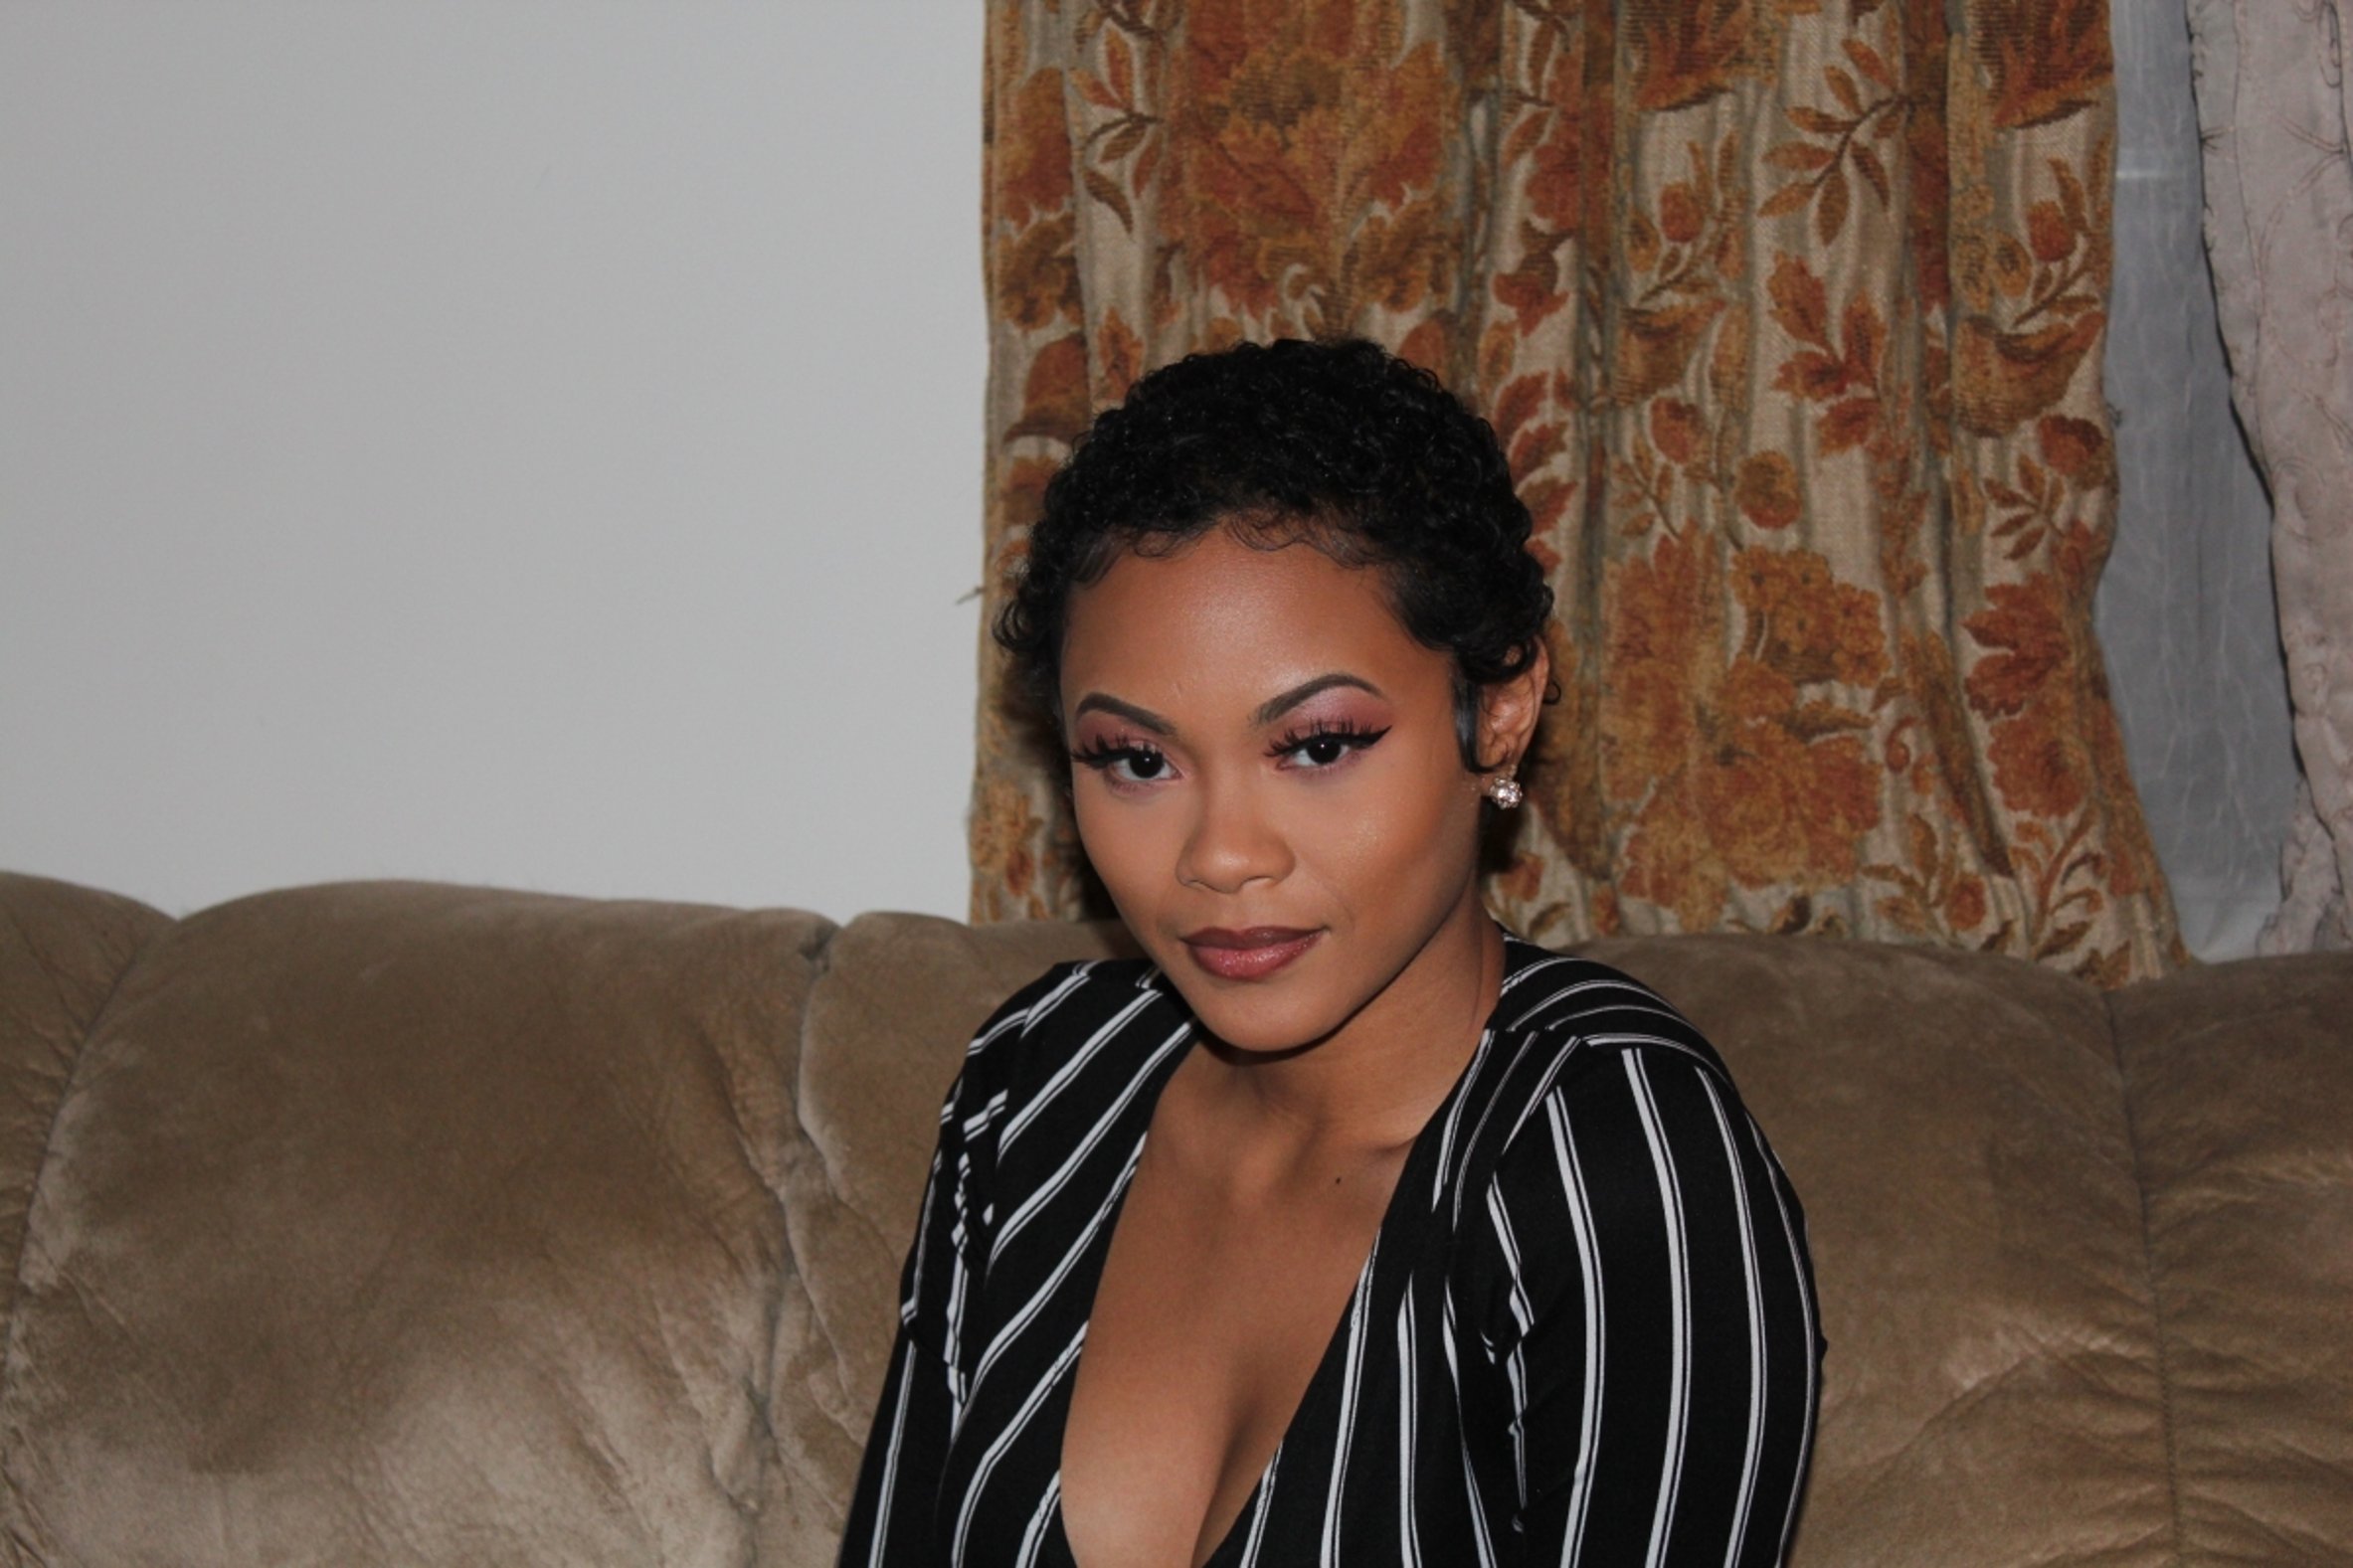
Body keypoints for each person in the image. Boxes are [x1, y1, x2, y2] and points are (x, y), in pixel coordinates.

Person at [838, 338, 1821, 1567]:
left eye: (1315, 745)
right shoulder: (1036, 1081)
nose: (1221, 855)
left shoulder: (1613, 1151)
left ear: (1498, 708)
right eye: (1137, 760)